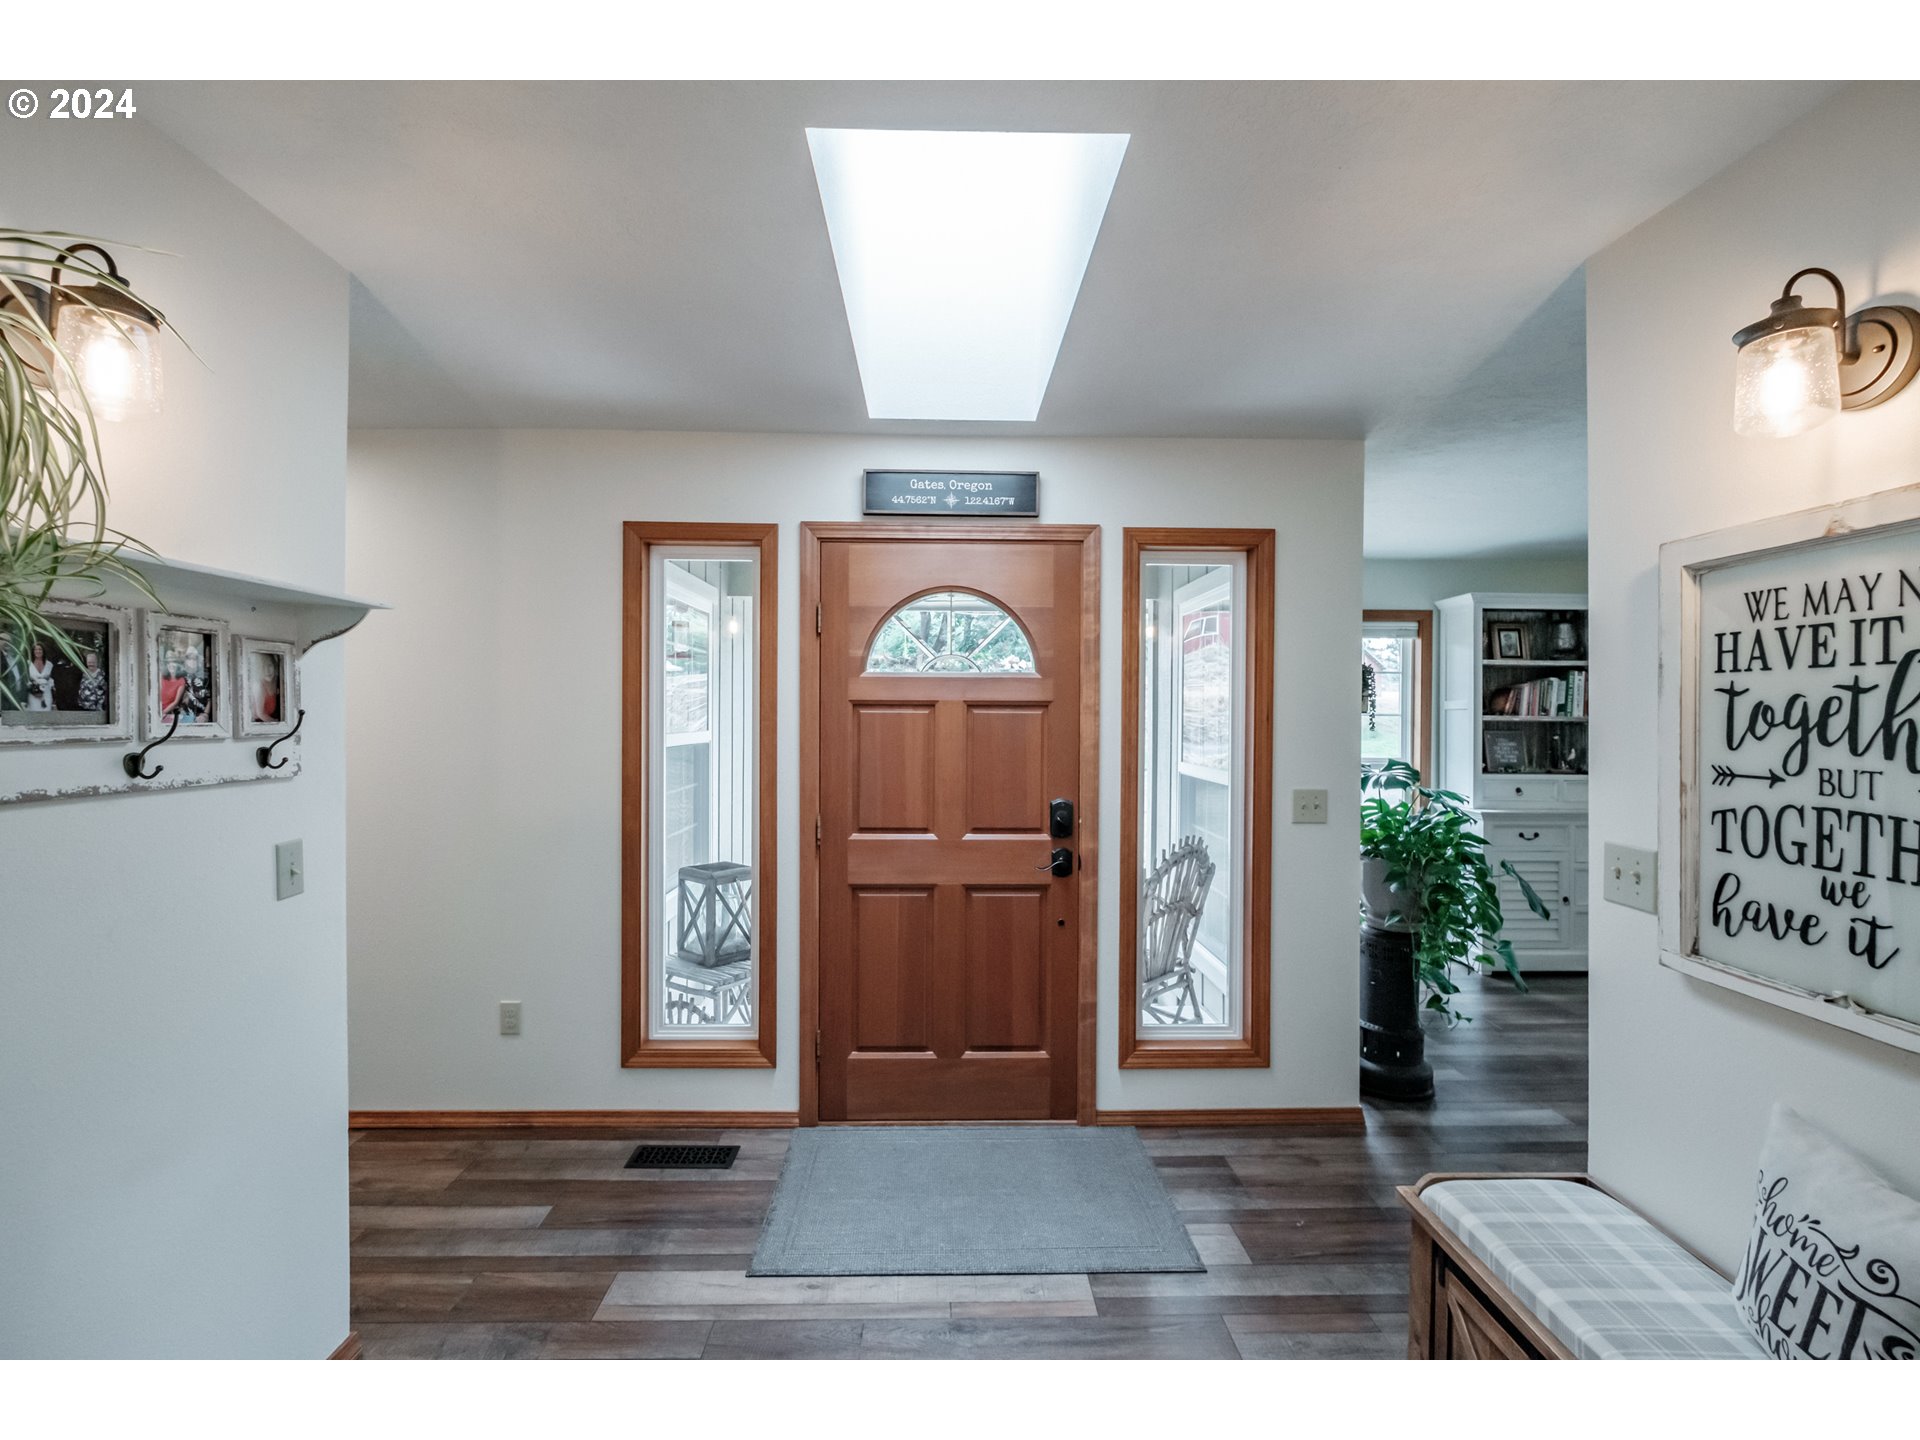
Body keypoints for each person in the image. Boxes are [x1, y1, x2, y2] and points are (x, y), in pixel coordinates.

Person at [24, 643, 54, 711]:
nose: (38, 651)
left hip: (46, 694)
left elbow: (51, 680)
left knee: (46, 713)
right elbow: (25, 680)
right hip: (33, 694)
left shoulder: (49, 664)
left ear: (43, 651)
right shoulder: (28, 663)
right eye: (35, 649)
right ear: (32, 651)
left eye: (40, 649)